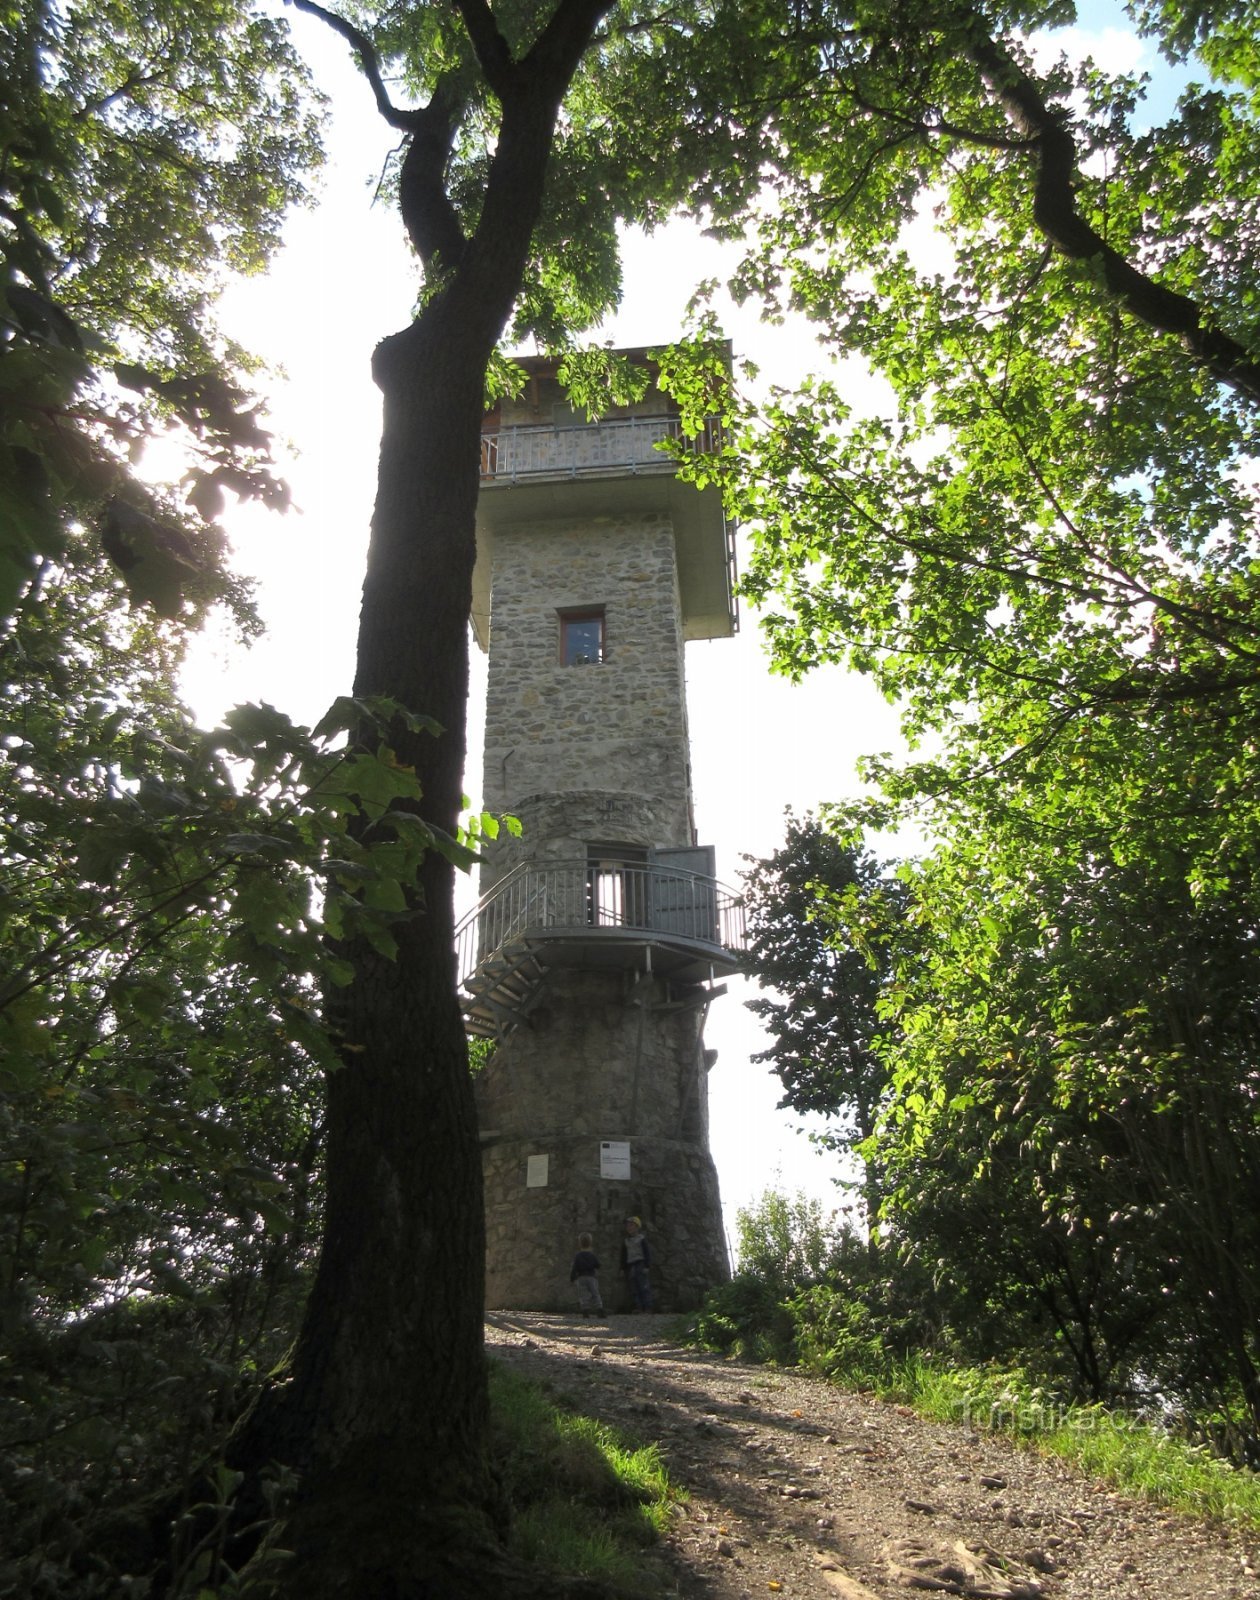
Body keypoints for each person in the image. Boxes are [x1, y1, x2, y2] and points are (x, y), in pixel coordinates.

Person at [620, 1215, 652, 1312]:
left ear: (637, 1227)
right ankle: (638, 1306)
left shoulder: (641, 1239)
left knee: (643, 1285)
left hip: (640, 1263)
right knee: (633, 1287)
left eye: (631, 1225)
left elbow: (646, 1253)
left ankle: (647, 1307)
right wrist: (622, 1268)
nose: (629, 1228)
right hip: (631, 1265)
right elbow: (624, 1255)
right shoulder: (626, 1241)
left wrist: (647, 1265)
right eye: (628, 1226)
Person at [569, 1231, 603, 1317]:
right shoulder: (592, 1255)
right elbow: (598, 1265)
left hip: (581, 1277)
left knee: (583, 1294)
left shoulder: (578, 1256)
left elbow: (574, 1267)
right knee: (595, 1293)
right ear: (590, 1243)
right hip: (591, 1277)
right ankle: (599, 1308)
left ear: (580, 1244)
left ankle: (585, 1310)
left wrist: (572, 1277)